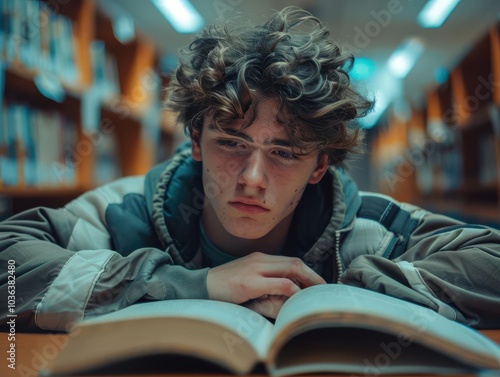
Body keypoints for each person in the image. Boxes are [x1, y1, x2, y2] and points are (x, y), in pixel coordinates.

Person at [1, 6, 500, 332]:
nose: (252, 178)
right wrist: (191, 287)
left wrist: (342, 298)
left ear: (320, 166)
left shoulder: (371, 228)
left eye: (284, 153)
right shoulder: (121, 213)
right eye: (232, 142)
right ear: (196, 141)